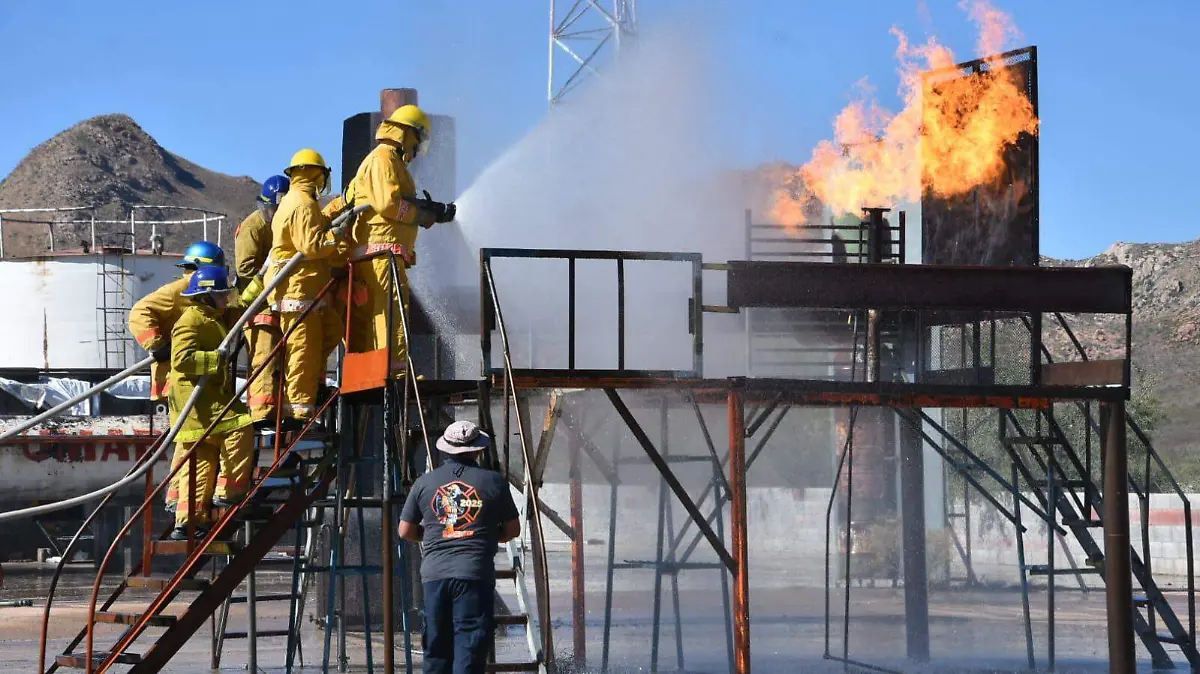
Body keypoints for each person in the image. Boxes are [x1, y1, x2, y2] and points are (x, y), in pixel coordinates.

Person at [399, 421, 521, 674]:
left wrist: (439, 535)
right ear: (477, 450)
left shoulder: (424, 483)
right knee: (470, 646)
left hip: (435, 575)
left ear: (445, 449)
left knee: (436, 645)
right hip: (474, 574)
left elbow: (405, 531)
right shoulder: (494, 482)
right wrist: (482, 534)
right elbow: (512, 530)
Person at [346, 104, 455, 375]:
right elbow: (389, 204)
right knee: (390, 312)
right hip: (381, 254)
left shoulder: (390, 161)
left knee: (385, 312)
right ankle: (394, 373)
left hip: (382, 253)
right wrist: (420, 214)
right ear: (408, 133)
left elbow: (397, 201)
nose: (418, 150)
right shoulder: (383, 159)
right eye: (418, 140)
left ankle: (383, 370)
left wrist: (431, 212)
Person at [128, 241, 226, 511]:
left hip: (194, 376)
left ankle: (178, 495)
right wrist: (157, 345)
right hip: (178, 377)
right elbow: (139, 312)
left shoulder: (203, 292)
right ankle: (178, 497)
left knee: (190, 437)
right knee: (190, 438)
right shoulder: (181, 290)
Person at [168, 264, 262, 540]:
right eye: (221, 295)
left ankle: (186, 523)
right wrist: (215, 359)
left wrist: (261, 278)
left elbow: (244, 305)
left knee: (201, 463)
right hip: (197, 404)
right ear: (206, 296)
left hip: (205, 402)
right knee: (241, 425)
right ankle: (229, 492)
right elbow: (182, 360)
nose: (225, 300)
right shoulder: (191, 321)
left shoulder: (214, 316)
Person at [266, 149, 346, 429]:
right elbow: (312, 245)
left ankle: (313, 387)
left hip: (309, 291)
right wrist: (339, 234)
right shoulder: (301, 204)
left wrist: (338, 209)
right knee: (303, 352)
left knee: (333, 331)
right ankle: (299, 414)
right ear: (316, 173)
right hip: (298, 292)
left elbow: (312, 227)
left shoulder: (299, 201)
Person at [235, 175, 290, 427]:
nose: (272, 214)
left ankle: (286, 408)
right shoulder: (253, 227)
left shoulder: (286, 223)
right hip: (258, 304)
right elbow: (245, 270)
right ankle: (261, 412)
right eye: (270, 209)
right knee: (264, 354)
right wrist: (275, 270)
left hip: (282, 300)